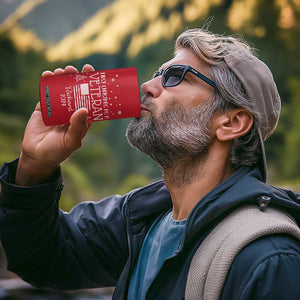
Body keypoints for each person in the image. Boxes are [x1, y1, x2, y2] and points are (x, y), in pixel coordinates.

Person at [1, 28, 300, 300]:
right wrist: (34, 167)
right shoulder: (140, 220)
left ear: (231, 123)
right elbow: (43, 257)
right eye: (158, 74)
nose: (147, 86)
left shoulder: (269, 259)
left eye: (176, 76)